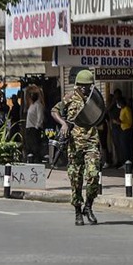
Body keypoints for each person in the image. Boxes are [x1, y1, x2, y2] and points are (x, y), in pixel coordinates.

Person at [51, 70, 101, 226]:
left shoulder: (93, 100)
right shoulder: (70, 98)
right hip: (74, 144)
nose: (86, 89)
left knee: (93, 175)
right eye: (83, 86)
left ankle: (89, 206)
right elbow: (54, 111)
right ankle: (78, 211)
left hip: (91, 142)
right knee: (76, 179)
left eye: (88, 86)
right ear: (78, 85)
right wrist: (64, 123)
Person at [24, 87, 44, 163]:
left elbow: (40, 117)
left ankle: (37, 159)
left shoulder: (38, 105)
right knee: (29, 145)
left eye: (34, 94)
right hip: (29, 127)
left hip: (34, 128)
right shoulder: (31, 105)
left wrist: (37, 127)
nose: (32, 96)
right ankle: (31, 158)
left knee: (35, 145)